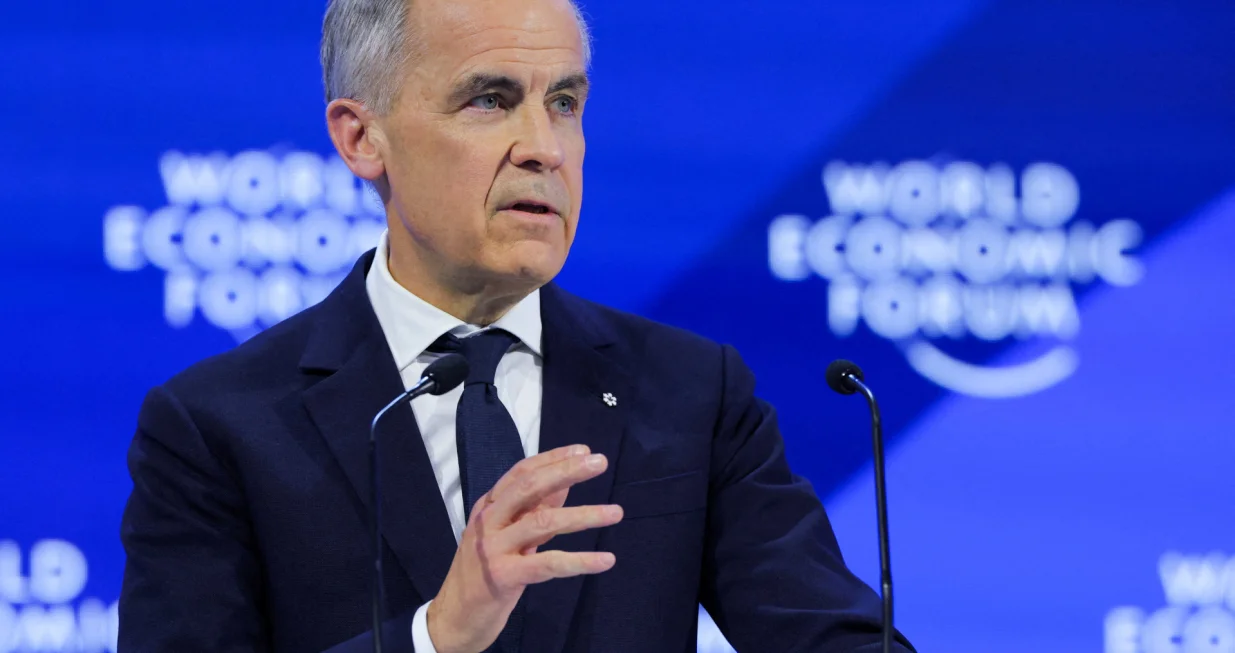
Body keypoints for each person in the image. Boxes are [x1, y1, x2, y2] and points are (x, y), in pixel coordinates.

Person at [117, 0, 916, 651]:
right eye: (489, 100)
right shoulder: (218, 425)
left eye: (563, 103)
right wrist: (437, 635)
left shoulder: (688, 393)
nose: (544, 149)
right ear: (362, 138)